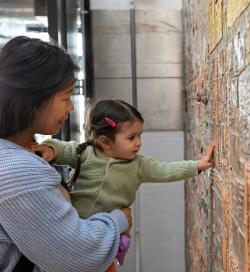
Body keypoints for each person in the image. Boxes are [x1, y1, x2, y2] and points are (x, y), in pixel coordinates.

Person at [0, 36, 132, 272]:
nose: (70, 107)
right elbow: (80, 255)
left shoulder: (22, 153)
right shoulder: (17, 171)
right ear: (34, 100)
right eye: (65, 96)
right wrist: (120, 219)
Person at [32, 99, 215, 269]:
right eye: (131, 137)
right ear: (105, 142)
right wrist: (49, 149)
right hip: (76, 230)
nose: (138, 143)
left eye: (139, 135)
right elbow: (63, 149)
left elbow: (165, 170)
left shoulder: (138, 165)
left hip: (106, 238)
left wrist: (197, 165)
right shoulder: (86, 153)